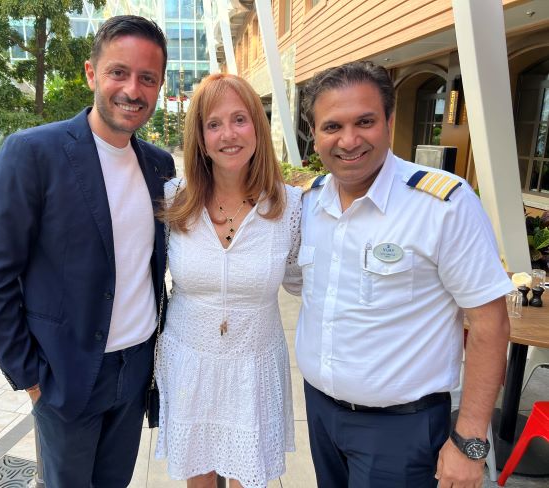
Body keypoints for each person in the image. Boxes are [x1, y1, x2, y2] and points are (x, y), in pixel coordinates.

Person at [0, 15, 175, 488]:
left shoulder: (159, 165)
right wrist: (32, 377)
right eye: (118, 72)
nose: (133, 90)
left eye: (148, 78)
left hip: (136, 365)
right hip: (67, 372)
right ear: (90, 73)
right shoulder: (33, 153)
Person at [297, 60, 511, 488]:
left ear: (390, 122)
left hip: (401, 432)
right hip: (320, 414)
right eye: (332, 126)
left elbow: (491, 323)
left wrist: (470, 440)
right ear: (315, 135)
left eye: (365, 121)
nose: (349, 140)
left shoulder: (442, 205)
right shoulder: (311, 204)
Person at [155, 73, 301, 488]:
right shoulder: (174, 196)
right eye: (213, 124)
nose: (228, 134)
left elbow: (305, 280)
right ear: (199, 137)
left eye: (239, 119)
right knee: (197, 477)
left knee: (245, 475)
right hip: (189, 360)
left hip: (254, 364)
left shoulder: (289, 206)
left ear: (257, 124)